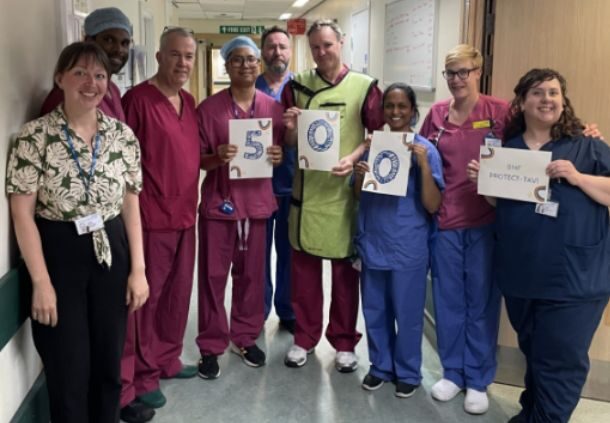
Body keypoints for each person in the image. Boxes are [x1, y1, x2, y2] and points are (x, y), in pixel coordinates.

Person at [6, 42, 148, 423]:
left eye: (99, 75)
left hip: (111, 249)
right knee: (68, 369)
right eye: (80, 73)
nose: (91, 83)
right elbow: (22, 214)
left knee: (108, 365)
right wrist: (41, 282)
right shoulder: (33, 138)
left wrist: (138, 270)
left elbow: (131, 205)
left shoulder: (122, 136)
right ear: (60, 78)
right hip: (58, 253)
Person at [467, 68, 610, 423]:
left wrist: (577, 177)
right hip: (522, 273)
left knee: (560, 360)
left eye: (553, 92)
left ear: (563, 101)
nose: (546, 99)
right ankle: (531, 410)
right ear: (522, 101)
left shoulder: (587, 144)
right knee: (535, 350)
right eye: (537, 92)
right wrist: (485, 183)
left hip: (574, 278)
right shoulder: (509, 150)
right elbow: (501, 205)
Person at [282, 19, 384, 371]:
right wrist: (291, 128)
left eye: (327, 44)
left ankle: (344, 341)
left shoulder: (364, 87)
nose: (322, 52)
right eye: (315, 46)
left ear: (341, 42)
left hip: (344, 196)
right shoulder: (297, 85)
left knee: (345, 277)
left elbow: (377, 136)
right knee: (305, 276)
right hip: (307, 195)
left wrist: (353, 158)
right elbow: (289, 142)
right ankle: (304, 338)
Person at [419, 44, 508, 414]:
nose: (456, 79)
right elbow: (420, 153)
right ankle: (453, 372)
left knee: (482, 302)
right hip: (446, 221)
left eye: (463, 72)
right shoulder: (437, 114)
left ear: (478, 72)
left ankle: (478, 378)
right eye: (450, 73)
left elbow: (531, 148)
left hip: (487, 221)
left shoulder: (499, 112)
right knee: (449, 300)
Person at [121, 27, 201, 411]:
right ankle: (143, 374)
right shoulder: (137, 101)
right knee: (147, 303)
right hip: (151, 218)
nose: (182, 62)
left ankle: (169, 357)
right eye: (175, 54)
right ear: (158, 56)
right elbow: (124, 165)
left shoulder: (189, 101)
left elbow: (191, 155)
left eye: (189, 56)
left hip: (186, 215)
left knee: (178, 295)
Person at [196, 36, 284, 379]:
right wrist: (216, 157)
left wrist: (278, 155)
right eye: (237, 60)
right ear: (227, 65)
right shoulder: (208, 110)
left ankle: (245, 337)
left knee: (252, 277)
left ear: (258, 64)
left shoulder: (273, 109)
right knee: (212, 277)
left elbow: (278, 153)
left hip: (257, 205)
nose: (245, 65)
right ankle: (210, 345)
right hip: (220, 204)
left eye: (250, 59)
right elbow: (199, 160)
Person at [353, 83, 444, 398]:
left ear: (413, 111)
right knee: (375, 309)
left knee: (407, 313)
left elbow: (433, 205)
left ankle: (407, 371)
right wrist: (360, 175)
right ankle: (380, 366)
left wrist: (424, 166)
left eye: (402, 106)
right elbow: (358, 195)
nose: (395, 112)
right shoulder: (373, 146)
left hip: (408, 244)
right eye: (389, 106)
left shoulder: (425, 150)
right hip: (374, 240)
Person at [255, 26, 296, 333]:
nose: (277, 52)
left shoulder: (301, 89)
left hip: (293, 183)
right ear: (262, 52)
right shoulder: (249, 86)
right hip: (256, 185)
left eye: (282, 46)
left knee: (290, 253)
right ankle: (257, 311)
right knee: (257, 254)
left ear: (290, 51)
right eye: (271, 46)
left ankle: (288, 310)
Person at [40, 7, 132, 120]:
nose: (119, 49)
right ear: (89, 41)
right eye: (109, 40)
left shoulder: (113, 90)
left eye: (125, 43)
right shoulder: (68, 94)